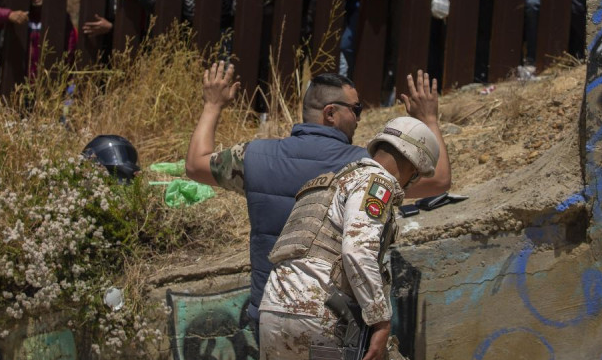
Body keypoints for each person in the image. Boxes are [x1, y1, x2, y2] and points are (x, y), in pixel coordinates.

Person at [185, 63, 450, 340]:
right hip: (332, 319)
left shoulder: (253, 158)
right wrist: (428, 119)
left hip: (268, 314)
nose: (359, 119)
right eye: (356, 109)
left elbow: (195, 165)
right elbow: (439, 180)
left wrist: (212, 106)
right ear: (330, 113)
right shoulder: (367, 168)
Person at [258, 115, 439, 360]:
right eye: (416, 177)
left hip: (273, 309)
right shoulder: (377, 182)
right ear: (415, 169)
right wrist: (380, 321)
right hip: (319, 311)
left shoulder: (332, 183)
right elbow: (358, 250)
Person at [0, 0, 78, 80]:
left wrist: (65, 80)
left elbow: (70, 51)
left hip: (48, 80)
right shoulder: (20, 14)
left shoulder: (60, 18)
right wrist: (9, 15)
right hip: (19, 80)